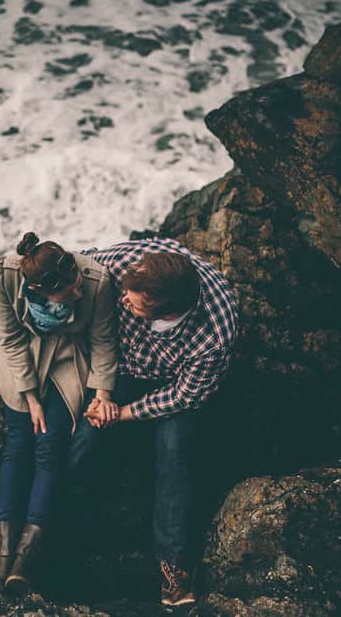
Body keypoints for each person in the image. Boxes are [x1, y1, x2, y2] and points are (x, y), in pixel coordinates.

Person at [71, 236, 238, 607]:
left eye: (134, 301)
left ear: (165, 311)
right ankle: (55, 526)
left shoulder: (213, 334)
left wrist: (123, 415)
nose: (125, 300)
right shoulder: (125, 265)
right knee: (83, 438)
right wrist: (103, 396)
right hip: (119, 366)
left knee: (175, 456)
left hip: (175, 382)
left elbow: (184, 396)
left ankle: (174, 572)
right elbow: (75, 265)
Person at [0, 231, 118, 594]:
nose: (76, 292)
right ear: (40, 291)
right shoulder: (6, 274)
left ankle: (25, 561)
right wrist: (30, 397)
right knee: (17, 442)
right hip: (22, 358)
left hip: (65, 359)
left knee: (50, 443)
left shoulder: (96, 281)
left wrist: (102, 395)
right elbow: (10, 336)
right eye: (67, 292)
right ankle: (2, 558)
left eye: (76, 284)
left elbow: (104, 343)